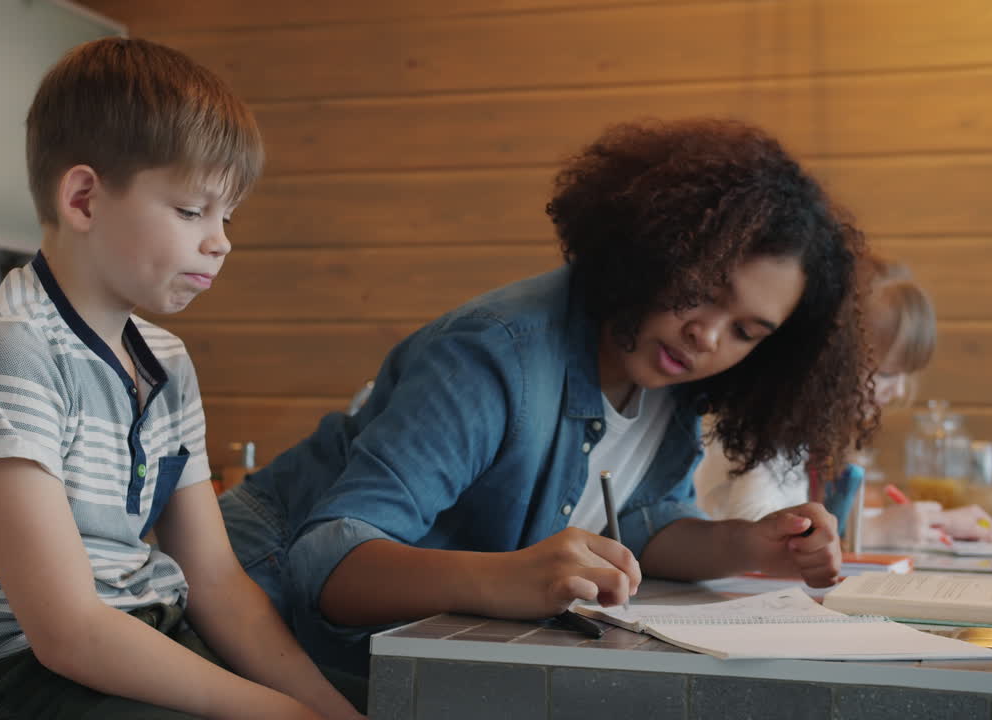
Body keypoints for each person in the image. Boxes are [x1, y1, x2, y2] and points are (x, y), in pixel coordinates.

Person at [219, 117, 875, 683]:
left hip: (407, 654)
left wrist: (748, 546)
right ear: (657, 246)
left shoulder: (666, 380)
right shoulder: (496, 352)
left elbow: (641, 525)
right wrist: (507, 579)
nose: (707, 336)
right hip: (249, 611)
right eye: (703, 289)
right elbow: (329, 560)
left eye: (745, 332)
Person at [0, 38, 362, 720]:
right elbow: (70, 633)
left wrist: (327, 709)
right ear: (82, 199)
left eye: (227, 217)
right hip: (10, 678)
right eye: (192, 211)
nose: (220, 240)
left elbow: (216, 582)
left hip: (140, 633)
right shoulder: (6, 352)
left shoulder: (166, 363)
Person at [694, 256, 992, 546]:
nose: (898, 392)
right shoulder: (764, 426)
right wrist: (874, 530)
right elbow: (754, 526)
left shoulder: (805, 432)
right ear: (830, 363)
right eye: (888, 374)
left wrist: (935, 523)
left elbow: (800, 512)